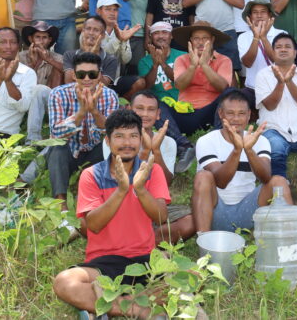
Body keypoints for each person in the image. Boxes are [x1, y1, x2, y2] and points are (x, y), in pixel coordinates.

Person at [52, 109, 170, 319]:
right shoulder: (91, 175)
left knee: (193, 277)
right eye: (119, 136)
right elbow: (93, 225)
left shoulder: (152, 171)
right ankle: (139, 307)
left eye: (133, 136)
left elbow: (161, 218)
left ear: (140, 140)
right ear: (107, 141)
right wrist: (122, 190)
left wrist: (140, 189)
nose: (127, 142)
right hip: (104, 263)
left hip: (145, 260)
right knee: (64, 282)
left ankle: (108, 303)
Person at [191, 91, 291, 232]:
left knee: (279, 181)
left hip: (248, 211)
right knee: (203, 176)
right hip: (215, 211)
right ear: (221, 114)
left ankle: (290, 239)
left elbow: (265, 178)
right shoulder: (206, 141)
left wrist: (249, 150)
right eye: (230, 113)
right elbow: (221, 181)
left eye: (241, 114)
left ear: (249, 115)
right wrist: (237, 150)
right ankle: (204, 242)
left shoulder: (260, 141)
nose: (236, 119)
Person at [47, 52, 120, 215]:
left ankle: (106, 197)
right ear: (73, 75)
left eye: (92, 74)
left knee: (113, 147)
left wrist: (93, 110)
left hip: (94, 152)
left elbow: (111, 130)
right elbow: (56, 132)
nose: (87, 78)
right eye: (81, 74)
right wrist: (81, 112)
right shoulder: (58, 94)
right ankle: (62, 205)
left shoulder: (110, 95)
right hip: (69, 152)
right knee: (57, 147)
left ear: (100, 75)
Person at [124, 91, 195, 244]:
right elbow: (121, 182)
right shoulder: (115, 139)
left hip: (156, 207)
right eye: (140, 108)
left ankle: (144, 240)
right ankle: (139, 239)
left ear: (158, 114)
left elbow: (166, 182)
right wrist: (144, 151)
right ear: (129, 110)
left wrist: (155, 150)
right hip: (124, 205)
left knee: (191, 221)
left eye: (151, 110)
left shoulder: (168, 142)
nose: (145, 114)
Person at [255, 33, 297, 179]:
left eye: (287, 47)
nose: (283, 50)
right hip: (274, 129)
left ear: (295, 52)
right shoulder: (262, 75)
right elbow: (270, 106)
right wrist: (280, 83)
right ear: (272, 52)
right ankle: (279, 190)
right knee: (275, 149)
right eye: (278, 47)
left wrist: (289, 82)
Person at [136, 21, 196, 168]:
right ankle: (185, 146)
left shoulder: (183, 56)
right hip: (163, 114)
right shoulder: (144, 61)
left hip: (186, 109)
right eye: (156, 33)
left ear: (171, 37)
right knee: (155, 104)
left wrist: (163, 64)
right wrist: (155, 65)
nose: (161, 36)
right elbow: (147, 86)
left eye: (164, 32)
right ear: (151, 37)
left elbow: (180, 82)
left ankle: (186, 146)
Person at [169, 21, 233, 135]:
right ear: (191, 41)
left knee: (231, 92)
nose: (200, 42)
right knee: (158, 104)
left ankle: (216, 135)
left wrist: (204, 64)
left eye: (205, 38)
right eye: (196, 38)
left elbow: (223, 88)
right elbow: (179, 85)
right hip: (187, 112)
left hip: (212, 113)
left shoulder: (224, 60)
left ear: (212, 40)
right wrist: (193, 65)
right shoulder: (181, 59)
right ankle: (181, 143)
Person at [21, 21, 64, 143]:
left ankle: (32, 140)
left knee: (40, 89)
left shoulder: (57, 58)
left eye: (44, 37)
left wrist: (47, 59)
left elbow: (67, 72)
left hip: (48, 104)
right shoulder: (21, 57)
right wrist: (33, 65)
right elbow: (20, 84)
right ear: (31, 39)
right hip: (24, 100)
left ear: (50, 40)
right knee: (36, 89)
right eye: (37, 37)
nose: (41, 41)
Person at [236, 0, 285, 107]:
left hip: (276, 87)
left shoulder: (282, 34)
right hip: (252, 89)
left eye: (263, 12)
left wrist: (263, 37)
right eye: (255, 12)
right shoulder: (243, 37)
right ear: (250, 17)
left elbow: (278, 62)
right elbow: (248, 63)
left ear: (270, 15)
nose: (259, 15)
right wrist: (256, 37)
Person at [94, 0, 144, 99]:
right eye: (107, 9)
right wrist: (119, 39)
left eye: (115, 10)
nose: (112, 13)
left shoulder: (122, 32)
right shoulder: (91, 30)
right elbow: (104, 54)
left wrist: (124, 40)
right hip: (93, 77)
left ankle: (119, 101)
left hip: (114, 80)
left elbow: (125, 60)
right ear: (98, 11)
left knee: (141, 82)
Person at [63, 16, 119, 88]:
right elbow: (69, 82)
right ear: (83, 31)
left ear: (103, 35)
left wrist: (93, 56)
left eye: (96, 30)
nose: (91, 33)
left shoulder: (110, 59)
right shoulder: (69, 55)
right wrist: (88, 54)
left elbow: (103, 86)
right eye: (88, 29)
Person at [127, 0, 157, 72]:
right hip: (121, 34)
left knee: (135, 72)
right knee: (117, 70)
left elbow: (149, 16)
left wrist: (147, 38)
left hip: (139, 38)